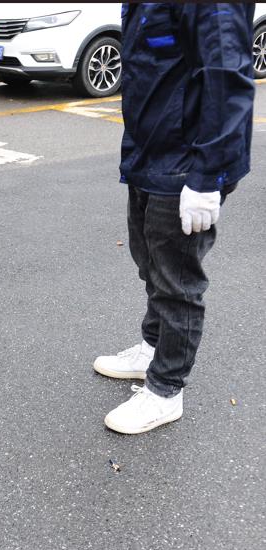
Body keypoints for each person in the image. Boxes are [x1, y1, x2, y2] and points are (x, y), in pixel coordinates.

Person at [94, 3, 255, 434]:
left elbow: (226, 75)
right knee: (149, 260)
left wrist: (208, 178)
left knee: (177, 281)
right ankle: (152, 346)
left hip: (188, 162)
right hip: (150, 152)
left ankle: (166, 390)